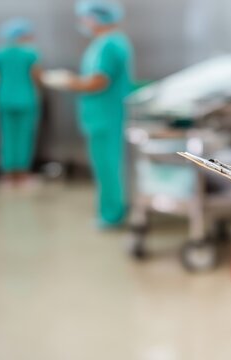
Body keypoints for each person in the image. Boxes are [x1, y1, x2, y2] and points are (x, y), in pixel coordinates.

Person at [61, 1, 133, 228]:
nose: (83, 22)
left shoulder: (110, 44)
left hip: (106, 115)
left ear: (97, 17)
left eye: (85, 17)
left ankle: (112, 214)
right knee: (106, 164)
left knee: (108, 165)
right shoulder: (104, 43)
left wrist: (71, 83)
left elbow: (99, 81)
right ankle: (112, 208)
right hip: (100, 114)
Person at [0, 18, 42, 188]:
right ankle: (22, 175)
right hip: (25, 99)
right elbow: (37, 76)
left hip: (5, 99)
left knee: (8, 137)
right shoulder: (30, 53)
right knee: (24, 136)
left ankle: (8, 176)